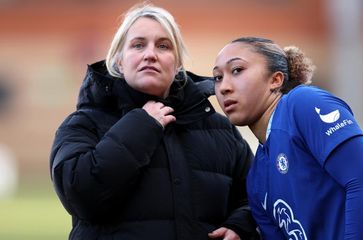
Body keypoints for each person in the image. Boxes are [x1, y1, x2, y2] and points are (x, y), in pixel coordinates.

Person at [49, 5, 259, 240]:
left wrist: (240, 225)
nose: (151, 54)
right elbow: (81, 197)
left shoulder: (220, 130)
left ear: (178, 64)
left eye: (163, 46)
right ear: (119, 61)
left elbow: (257, 196)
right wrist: (141, 125)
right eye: (138, 45)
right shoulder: (83, 124)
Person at [213, 37, 363, 239]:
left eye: (237, 70)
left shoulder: (303, 103)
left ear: (275, 80)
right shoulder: (256, 179)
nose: (224, 87)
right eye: (217, 77)